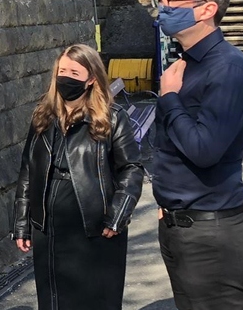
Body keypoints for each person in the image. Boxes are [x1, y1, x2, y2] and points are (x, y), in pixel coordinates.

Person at [153, 0, 243, 310]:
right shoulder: (187, 63)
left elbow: (204, 149)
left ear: (207, 10)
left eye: (173, 0)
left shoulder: (228, 67)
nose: (163, 7)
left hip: (212, 236)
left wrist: (169, 97)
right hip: (183, 225)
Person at [12, 43, 144, 310]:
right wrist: (22, 222)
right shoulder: (43, 115)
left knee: (93, 299)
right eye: (62, 71)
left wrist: (118, 215)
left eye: (74, 72)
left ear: (91, 79)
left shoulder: (111, 118)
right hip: (48, 224)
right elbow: (28, 169)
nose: (66, 78)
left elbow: (131, 168)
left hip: (93, 223)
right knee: (54, 299)